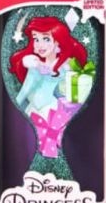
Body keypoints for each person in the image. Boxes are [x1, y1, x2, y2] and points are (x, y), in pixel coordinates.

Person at [10, 15, 88, 159]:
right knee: (34, 141)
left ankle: (52, 161)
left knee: (52, 141)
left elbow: (72, 86)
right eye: (36, 39)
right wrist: (16, 104)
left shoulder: (64, 66)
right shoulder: (34, 65)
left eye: (46, 39)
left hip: (51, 109)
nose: (40, 44)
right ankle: (44, 162)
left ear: (58, 42)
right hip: (33, 110)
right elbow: (26, 89)